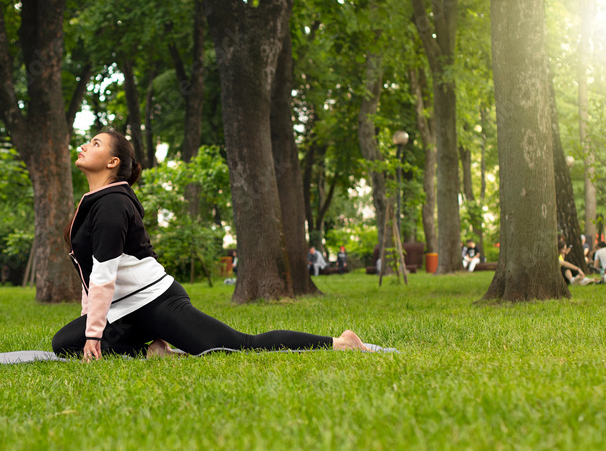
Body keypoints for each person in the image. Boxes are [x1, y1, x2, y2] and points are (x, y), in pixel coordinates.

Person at [52, 128, 370, 361]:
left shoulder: (111, 205)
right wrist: (89, 324)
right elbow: (89, 274)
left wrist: (94, 334)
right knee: (64, 343)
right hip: (122, 310)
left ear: (112, 162)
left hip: (156, 303)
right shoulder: (95, 202)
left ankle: (341, 342)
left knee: (239, 345)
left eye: (94, 143)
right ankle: (154, 351)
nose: (83, 145)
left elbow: (104, 276)